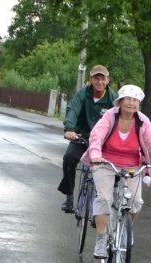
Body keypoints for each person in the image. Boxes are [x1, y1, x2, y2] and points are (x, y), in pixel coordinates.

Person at [80, 85, 151, 259]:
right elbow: (96, 136)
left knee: (136, 201)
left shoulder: (142, 121)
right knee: (104, 198)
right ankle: (100, 239)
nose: (131, 103)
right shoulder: (110, 116)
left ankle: (125, 230)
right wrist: (95, 154)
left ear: (139, 104)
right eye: (127, 99)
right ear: (119, 101)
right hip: (105, 161)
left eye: (135, 100)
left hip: (132, 164)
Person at [58, 64, 118, 213]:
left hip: (104, 142)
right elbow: (72, 109)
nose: (100, 82)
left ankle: (110, 197)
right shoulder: (82, 94)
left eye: (103, 79)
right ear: (91, 80)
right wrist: (70, 129)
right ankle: (69, 196)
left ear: (108, 80)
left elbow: (121, 117)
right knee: (69, 158)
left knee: (116, 165)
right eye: (96, 78)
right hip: (82, 137)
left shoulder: (113, 98)